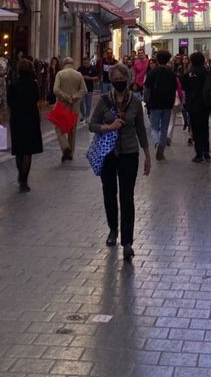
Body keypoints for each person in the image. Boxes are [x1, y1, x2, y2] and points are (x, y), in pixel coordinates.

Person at [89, 61, 151, 261]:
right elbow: (92, 124)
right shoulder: (104, 100)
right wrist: (108, 127)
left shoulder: (135, 102)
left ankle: (127, 242)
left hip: (129, 153)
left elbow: (141, 128)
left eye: (121, 80)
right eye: (114, 80)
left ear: (128, 79)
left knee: (127, 196)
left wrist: (147, 154)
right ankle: (112, 229)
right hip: (108, 153)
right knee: (109, 193)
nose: (118, 83)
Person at [7, 58, 43, 192]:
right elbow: (36, 99)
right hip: (30, 119)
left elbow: (9, 101)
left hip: (17, 119)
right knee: (28, 151)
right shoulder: (33, 84)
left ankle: (20, 175)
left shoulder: (13, 84)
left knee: (19, 149)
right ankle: (24, 180)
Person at [145, 49, 178, 160]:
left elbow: (147, 88)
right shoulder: (171, 73)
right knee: (164, 128)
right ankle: (162, 150)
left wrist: (146, 100)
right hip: (167, 103)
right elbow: (174, 89)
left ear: (157, 60)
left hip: (155, 102)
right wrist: (172, 101)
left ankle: (157, 143)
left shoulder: (152, 72)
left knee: (154, 127)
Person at [52, 57, 87, 162]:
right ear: (73, 63)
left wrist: (66, 97)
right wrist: (74, 97)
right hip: (74, 106)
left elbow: (55, 89)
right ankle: (70, 153)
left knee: (59, 128)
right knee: (72, 130)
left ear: (64, 63)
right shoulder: (78, 75)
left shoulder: (60, 74)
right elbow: (84, 90)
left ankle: (65, 147)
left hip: (62, 105)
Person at [184, 52, 211, 162]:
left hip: (193, 104)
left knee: (196, 129)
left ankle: (199, 153)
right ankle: (206, 151)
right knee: (205, 127)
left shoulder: (189, 73)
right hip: (204, 104)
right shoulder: (206, 72)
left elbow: (184, 86)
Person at [78, 58, 97, 123]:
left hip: (89, 88)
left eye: (86, 63)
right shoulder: (80, 68)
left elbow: (97, 77)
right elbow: (76, 75)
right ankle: (83, 115)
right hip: (81, 89)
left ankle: (87, 117)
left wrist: (90, 78)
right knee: (80, 102)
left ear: (89, 62)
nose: (85, 64)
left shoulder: (93, 68)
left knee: (88, 103)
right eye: (84, 63)